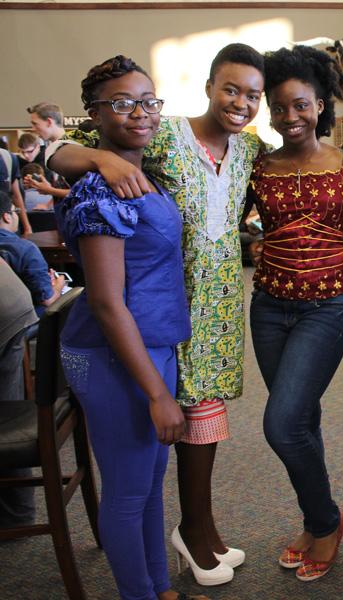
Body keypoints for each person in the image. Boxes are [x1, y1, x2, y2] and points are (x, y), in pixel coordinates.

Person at [48, 42, 269, 585]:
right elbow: (57, 154)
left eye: (148, 102)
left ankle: (179, 559)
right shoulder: (129, 164)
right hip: (127, 332)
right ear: (209, 87)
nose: (140, 113)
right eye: (230, 88)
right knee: (134, 482)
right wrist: (99, 156)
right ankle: (171, 558)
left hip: (194, 318)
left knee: (159, 467)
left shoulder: (246, 149)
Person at [55, 55, 205, 600]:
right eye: (121, 103)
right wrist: (156, 394)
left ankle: (158, 588)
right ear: (93, 114)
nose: (139, 113)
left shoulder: (137, 170)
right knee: (126, 490)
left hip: (151, 344)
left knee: (146, 485)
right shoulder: (102, 189)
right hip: (113, 352)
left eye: (148, 101)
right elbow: (105, 302)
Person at [247, 44, 343, 582]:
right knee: (302, 419)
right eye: (280, 107)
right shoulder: (257, 165)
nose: (291, 117)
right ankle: (317, 525)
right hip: (268, 307)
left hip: (326, 306)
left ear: (320, 104)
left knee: (282, 423)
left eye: (301, 105)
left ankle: (326, 519)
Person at [0, 259, 39, 529]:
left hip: (7, 307)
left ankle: (16, 515)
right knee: (6, 400)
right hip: (12, 297)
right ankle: (17, 514)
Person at [0, 190, 66, 309]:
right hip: (25, 320)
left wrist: (42, 279)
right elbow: (48, 301)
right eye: (16, 211)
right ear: (6, 217)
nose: (17, 215)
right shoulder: (25, 249)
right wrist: (58, 285)